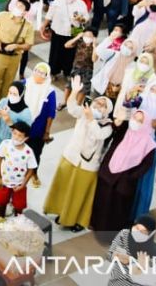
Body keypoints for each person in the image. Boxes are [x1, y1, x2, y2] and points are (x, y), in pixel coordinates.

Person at [44, 84, 113, 231]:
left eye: (103, 106)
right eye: (97, 103)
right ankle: (62, 213)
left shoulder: (107, 125)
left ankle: (77, 221)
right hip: (71, 156)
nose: (99, 106)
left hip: (87, 165)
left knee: (78, 195)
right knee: (64, 187)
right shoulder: (84, 112)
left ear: (107, 111)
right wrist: (75, 91)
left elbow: (98, 134)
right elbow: (72, 108)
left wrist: (90, 119)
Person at [90, 110, 156, 232]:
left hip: (125, 180)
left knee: (117, 207)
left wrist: (131, 176)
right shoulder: (125, 130)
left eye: (139, 121)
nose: (135, 122)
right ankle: (95, 224)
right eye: (134, 118)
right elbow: (114, 128)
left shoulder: (149, 144)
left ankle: (110, 232)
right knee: (102, 199)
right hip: (108, 171)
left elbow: (146, 164)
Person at [0, 0, 36, 119]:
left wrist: (17, 45)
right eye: (17, 5)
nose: (17, 8)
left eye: (20, 7)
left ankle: (2, 106)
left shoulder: (28, 26)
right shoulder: (3, 16)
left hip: (14, 58)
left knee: (8, 84)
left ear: (25, 12)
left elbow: (29, 45)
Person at [0, 120, 36, 217]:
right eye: (14, 133)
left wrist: (23, 184)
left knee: (19, 207)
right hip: (4, 182)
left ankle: (17, 223)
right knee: (1, 203)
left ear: (26, 138)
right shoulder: (5, 144)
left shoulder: (28, 152)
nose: (16, 137)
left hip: (19, 185)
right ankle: (1, 220)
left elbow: (31, 170)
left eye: (20, 135)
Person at [104, 215, 156, 286]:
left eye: (143, 232)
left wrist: (131, 262)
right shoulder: (124, 235)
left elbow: (149, 278)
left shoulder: (154, 252)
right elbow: (109, 255)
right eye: (137, 228)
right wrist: (113, 256)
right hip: (115, 282)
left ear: (150, 234)